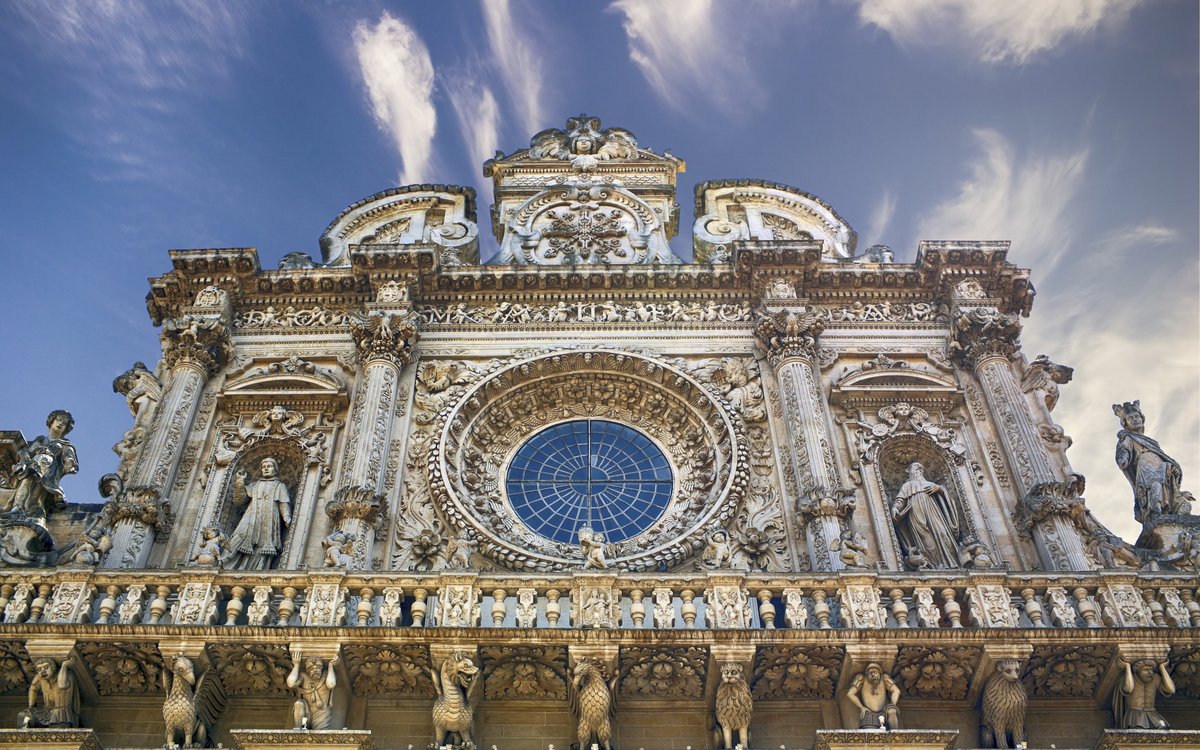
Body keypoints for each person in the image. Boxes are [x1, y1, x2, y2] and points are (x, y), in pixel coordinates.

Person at [1113, 401, 1193, 523]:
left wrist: (1171, 466)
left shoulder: (1150, 441)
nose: (1135, 419)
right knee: (1154, 485)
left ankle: (1168, 510)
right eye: (1130, 418)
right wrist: (1123, 459)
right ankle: (1156, 512)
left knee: (1166, 487)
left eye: (1137, 416)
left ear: (1142, 419)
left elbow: (1160, 454)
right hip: (1145, 465)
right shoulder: (1128, 437)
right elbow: (1125, 448)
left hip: (1161, 465)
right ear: (1126, 423)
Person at [7, 411, 77, 521]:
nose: (60, 424)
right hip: (32, 465)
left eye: (64, 423)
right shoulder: (40, 439)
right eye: (58, 420)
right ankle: (17, 507)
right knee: (26, 479)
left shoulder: (65, 444)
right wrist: (23, 452)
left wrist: (69, 463)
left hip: (48, 469)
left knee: (37, 489)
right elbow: (26, 451)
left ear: (66, 428)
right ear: (51, 421)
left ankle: (30, 508)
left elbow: (69, 459)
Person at [891, 463, 961, 570]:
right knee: (926, 539)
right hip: (915, 513)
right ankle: (935, 565)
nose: (911, 473)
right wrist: (895, 508)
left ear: (920, 471)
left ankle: (951, 563)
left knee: (943, 533)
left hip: (933, 512)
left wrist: (939, 489)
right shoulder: (907, 486)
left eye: (913, 471)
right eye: (911, 472)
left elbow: (947, 499)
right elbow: (900, 500)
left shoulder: (931, 484)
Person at [226, 457, 292, 570]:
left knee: (264, 542)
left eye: (269, 466)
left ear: (275, 470)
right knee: (239, 537)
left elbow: (284, 503)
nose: (266, 469)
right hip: (251, 516)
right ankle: (228, 563)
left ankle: (258, 567)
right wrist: (240, 481)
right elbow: (240, 500)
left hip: (269, 518)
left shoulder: (279, 486)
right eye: (264, 467)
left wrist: (286, 516)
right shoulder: (254, 485)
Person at [17, 657, 79, 728]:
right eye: (39, 669)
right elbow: (33, 689)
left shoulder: (67, 674)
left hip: (60, 714)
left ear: (53, 668)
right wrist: (31, 706)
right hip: (45, 711)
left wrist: (64, 666)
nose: (42, 671)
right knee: (23, 715)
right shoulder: (40, 677)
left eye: (46, 667)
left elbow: (62, 685)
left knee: (56, 730)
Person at [1113, 658, 1175, 729]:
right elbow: (1128, 689)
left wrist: (1162, 667)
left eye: (1151, 670)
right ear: (1138, 671)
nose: (1149, 672)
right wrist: (1127, 667)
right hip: (1135, 714)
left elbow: (1171, 689)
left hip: (1152, 713)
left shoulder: (1155, 678)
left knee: (1162, 730)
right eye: (1145, 670)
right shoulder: (1130, 678)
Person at [287, 654, 338, 730]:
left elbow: (331, 684)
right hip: (306, 712)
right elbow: (291, 683)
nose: (315, 670)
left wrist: (330, 666)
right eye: (312, 669)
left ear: (321, 669)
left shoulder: (326, 676)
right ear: (308, 671)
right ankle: (297, 729)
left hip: (321, 713)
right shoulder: (303, 676)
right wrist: (296, 665)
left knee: (320, 735)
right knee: (298, 704)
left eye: (318, 668)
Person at [847, 662, 900, 730]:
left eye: (875, 672)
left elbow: (896, 691)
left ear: (880, 673)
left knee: (892, 711)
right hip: (869, 714)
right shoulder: (861, 678)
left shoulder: (884, 678)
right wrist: (861, 707)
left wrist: (892, 705)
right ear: (866, 675)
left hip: (884, 713)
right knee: (870, 734)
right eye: (870, 673)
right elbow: (850, 694)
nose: (873, 675)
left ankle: (895, 734)